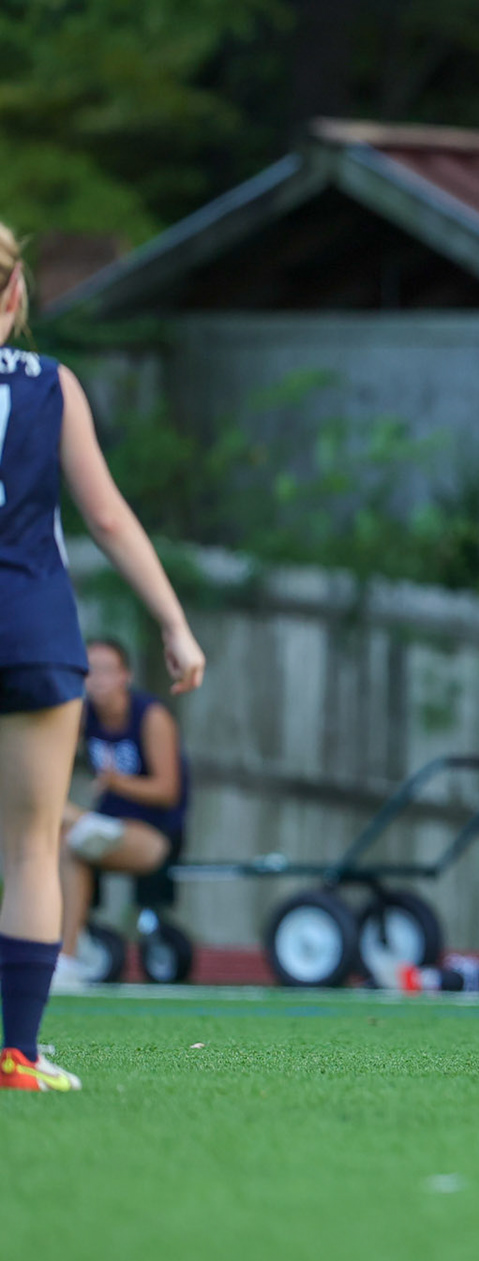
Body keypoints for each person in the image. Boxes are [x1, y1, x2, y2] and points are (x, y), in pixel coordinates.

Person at [0, 219, 205, 1091]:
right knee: (31, 848)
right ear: (16, 297)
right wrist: (173, 622)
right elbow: (110, 518)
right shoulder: (49, 384)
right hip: (30, 632)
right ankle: (15, 1053)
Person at [55, 638, 191, 988]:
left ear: (124, 676)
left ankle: (69, 957)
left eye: (105, 671)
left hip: (153, 834)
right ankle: (66, 951)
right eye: (89, 671)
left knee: (68, 829)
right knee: (62, 836)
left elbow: (168, 790)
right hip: (105, 829)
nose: (96, 679)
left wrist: (117, 782)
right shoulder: (84, 716)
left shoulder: (151, 716)